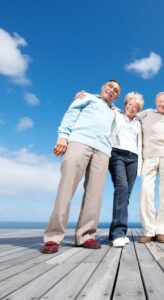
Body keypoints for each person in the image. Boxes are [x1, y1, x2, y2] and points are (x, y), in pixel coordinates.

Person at [41, 80, 121, 254]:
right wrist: (63, 137)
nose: (112, 90)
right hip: (80, 141)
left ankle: (86, 235)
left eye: (116, 90)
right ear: (103, 87)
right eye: (110, 86)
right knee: (66, 188)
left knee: (95, 194)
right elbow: (71, 114)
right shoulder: (88, 98)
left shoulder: (114, 112)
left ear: (116, 96)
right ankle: (53, 237)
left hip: (103, 151)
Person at [138, 92, 164, 243]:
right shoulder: (147, 113)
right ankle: (149, 230)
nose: (162, 104)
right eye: (160, 101)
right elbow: (129, 113)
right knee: (146, 192)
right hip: (148, 157)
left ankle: (161, 230)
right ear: (156, 102)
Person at [108, 92, 144, 248]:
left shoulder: (139, 123)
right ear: (125, 105)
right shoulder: (116, 114)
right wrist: (84, 95)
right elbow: (104, 101)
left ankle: (114, 233)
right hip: (117, 155)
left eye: (135, 107)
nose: (131, 108)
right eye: (129, 105)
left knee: (126, 195)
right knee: (121, 189)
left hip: (134, 158)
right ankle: (119, 233)